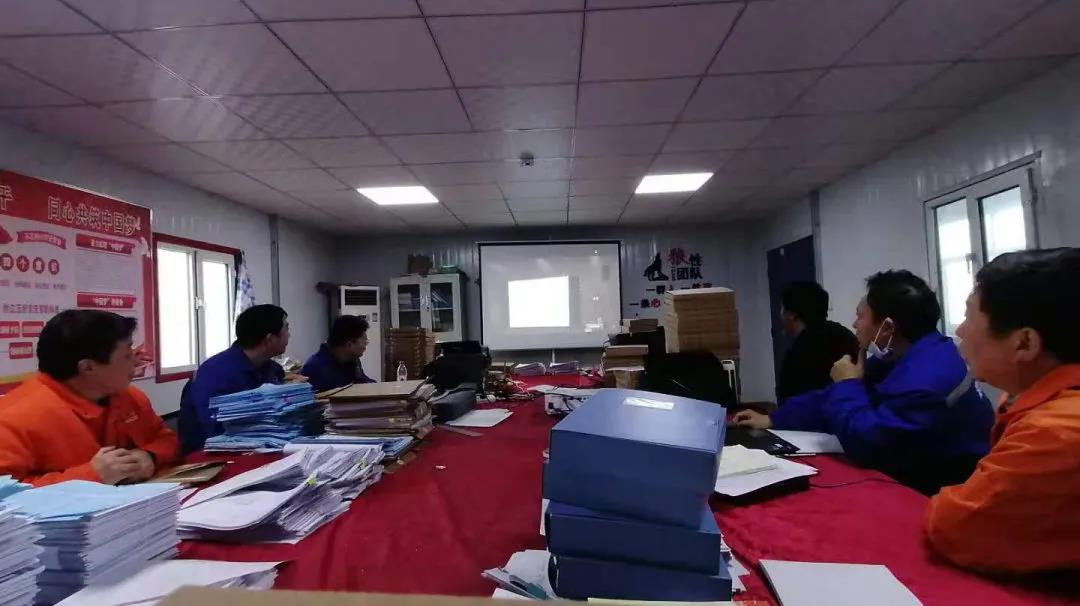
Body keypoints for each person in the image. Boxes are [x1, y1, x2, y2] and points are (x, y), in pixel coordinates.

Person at [733, 270, 993, 495]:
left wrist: (847, 385)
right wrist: (774, 419)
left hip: (937, 487)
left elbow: (867, 445)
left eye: (861, 316)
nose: (855, 324)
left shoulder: (930, 377)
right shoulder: (903, 355)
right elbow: (826, 400)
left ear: (887, 327)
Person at [925, 248, 1080, 573]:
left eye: (969, 316)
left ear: (1025, 343)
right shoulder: (1028, 399)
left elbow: (958, 526)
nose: (961, 330)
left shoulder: (1055, 431)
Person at [0, 310, 180, 486]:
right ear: (88, 367)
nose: (136, 361)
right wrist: (91, 476)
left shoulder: (129, 397)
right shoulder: (14, 418)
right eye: (127, 355)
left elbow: (167, 439)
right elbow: (7, 494)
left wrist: (150, 456)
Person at [179, 304, 289, 453]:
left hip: (263, 443)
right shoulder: (215, 373)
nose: (289, 335)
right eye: (286, 328)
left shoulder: (271, 369)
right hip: (213, 452)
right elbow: (214, 429)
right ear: (270, 339)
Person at [775, 281, 860, 402]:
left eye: (782, 309)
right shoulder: (845, 335)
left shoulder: (798, 352)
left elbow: (792, 402)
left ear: (791, 314)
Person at [301, 315, 377, 393]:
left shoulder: (352, 360)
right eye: (364, 341)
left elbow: (362, 381)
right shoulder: (313, 368)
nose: (365, 346)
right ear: (349, 344)